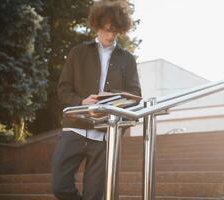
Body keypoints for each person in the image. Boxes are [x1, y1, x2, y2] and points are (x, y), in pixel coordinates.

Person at [51, 1, 141, 200]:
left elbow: (134, 95)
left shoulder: (127, 59)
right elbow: (63, 89)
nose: (110, 35)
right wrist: (82, 101)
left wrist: (115, 107)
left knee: (94, 196)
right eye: (106, 29)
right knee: (59, 186)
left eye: (115, 31)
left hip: (103, 136)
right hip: (74, 129)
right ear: (97, 25)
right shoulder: (78, 52)